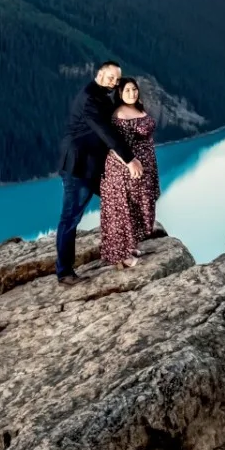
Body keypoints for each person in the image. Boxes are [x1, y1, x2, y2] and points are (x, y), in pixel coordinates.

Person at [54, 60, 140, 284]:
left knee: (118, 201)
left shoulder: (102, 94)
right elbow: (105, 131)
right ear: (99, 74)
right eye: (110, 77)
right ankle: (64, 272)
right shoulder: (90, 98)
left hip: (93, 165)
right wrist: (129, 160)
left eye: (117, 78)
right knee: (70, 217)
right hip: (78, 166)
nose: (114, 82)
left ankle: (120, 251)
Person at [98, 78, 160, 268]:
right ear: (119, 93)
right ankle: (121, 256)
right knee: (122, 211)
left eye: (134, 89)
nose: (132, 93)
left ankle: (130, 246)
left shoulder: (138, 108)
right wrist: (128, 164)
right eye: (127, 90)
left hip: (144, 167)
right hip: (125, 170)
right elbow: (114, 145)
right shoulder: (119, 115)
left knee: (135, 207)